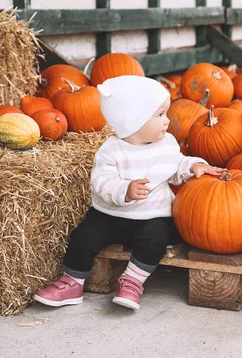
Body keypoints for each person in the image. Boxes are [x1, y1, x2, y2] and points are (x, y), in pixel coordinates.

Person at [34, 75, 223, 310]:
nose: (167, 120)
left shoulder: (167, 144)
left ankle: (133, 280)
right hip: (110, 215)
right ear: (134, 121)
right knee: (84, 235)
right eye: (160, 115)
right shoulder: (111, 150)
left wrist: (193, 166)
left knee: (157, 237)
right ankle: (72, 281)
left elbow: (176, 166)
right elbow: (101, 181)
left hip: (152, 216)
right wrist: (125, 190)